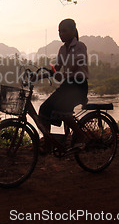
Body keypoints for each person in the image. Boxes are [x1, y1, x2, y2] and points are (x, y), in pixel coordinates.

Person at [38, 18, 89, 153]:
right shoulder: (62, 49)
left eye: (64, 31)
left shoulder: (80, 46)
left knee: (61, 109)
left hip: (78, 85)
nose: (61, 34)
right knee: (44, 109)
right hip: (67, 86)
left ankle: (80, 135)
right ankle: (49, 143)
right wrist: (39, 76)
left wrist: (65, 74)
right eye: (59, 31)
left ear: (73, 31)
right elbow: (57, 68)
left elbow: (76, 65)